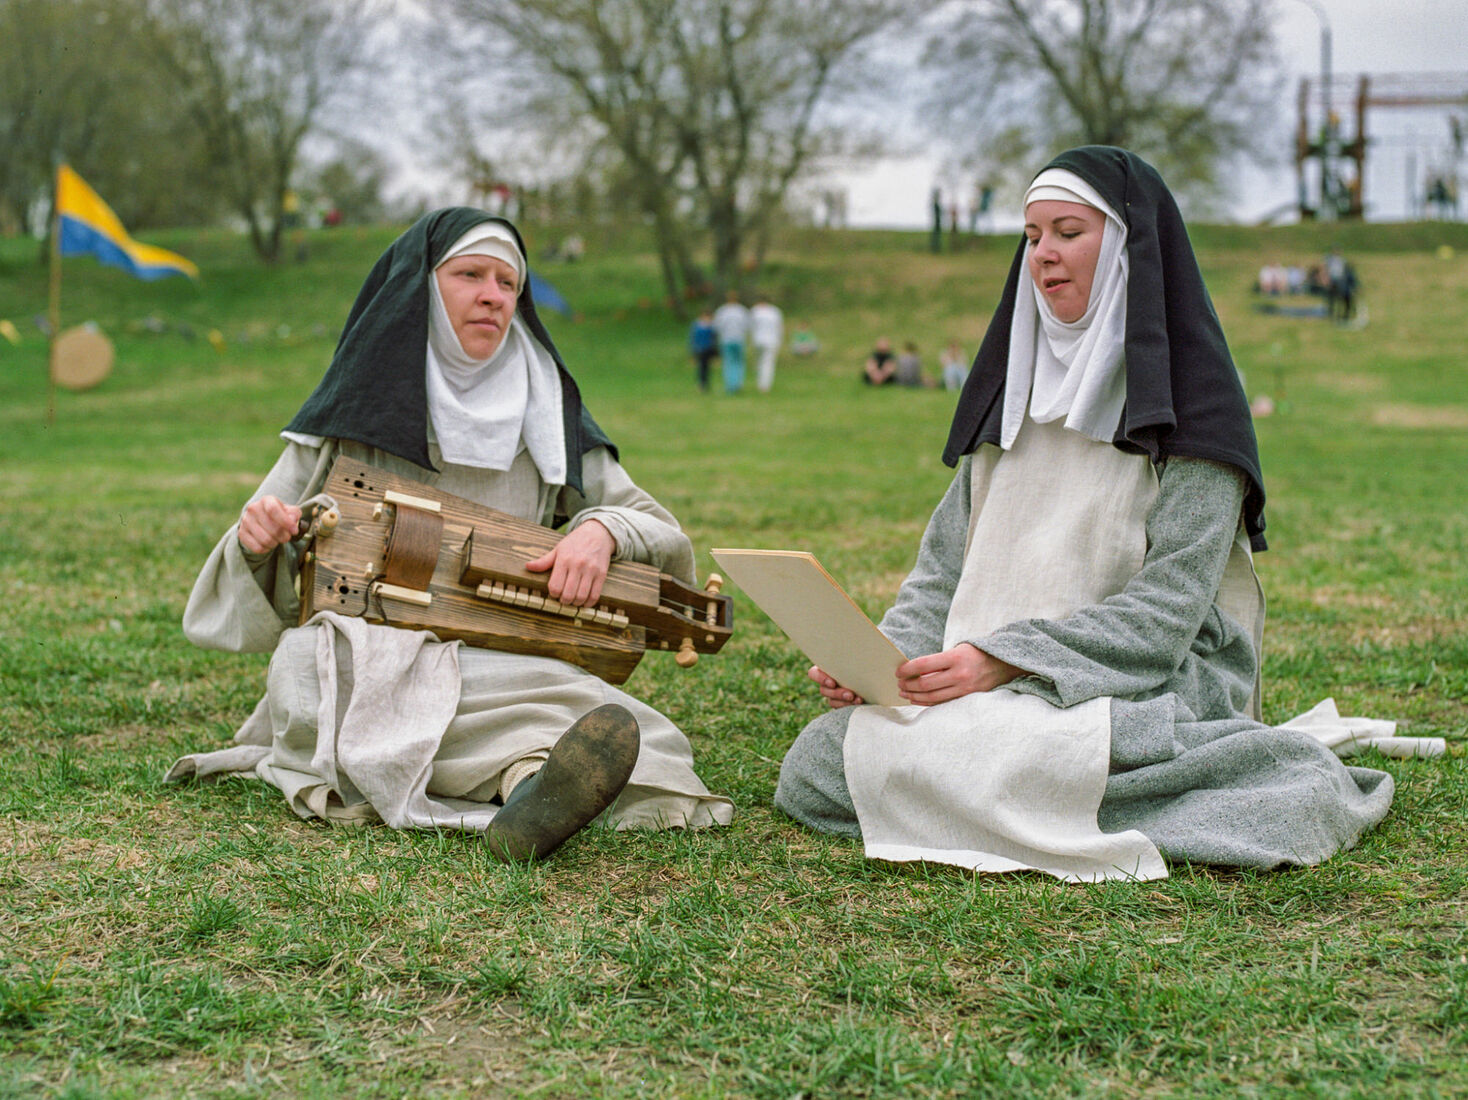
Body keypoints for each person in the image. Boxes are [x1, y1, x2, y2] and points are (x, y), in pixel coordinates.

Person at [775, 147, 1394, 882]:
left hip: (1148, 686)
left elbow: (1165, 618)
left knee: (1267, 793)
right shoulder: (1010, 398)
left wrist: (1003, 661)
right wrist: (885, 663)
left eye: (1069, 231)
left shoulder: (1195, 408)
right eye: (1032, 237)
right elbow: (942, 576)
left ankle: (1011, 781)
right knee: (816, 762)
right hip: (994, 686)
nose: (1044, 255)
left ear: (1130, 244)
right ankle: (1036, 790)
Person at [167, 208, 733, 861]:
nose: (493, 294)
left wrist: (602, 529)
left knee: (631, 730)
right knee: (306, 672)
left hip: (503, 664)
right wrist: (258, 538)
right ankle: (525, 777)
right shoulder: (359, 402)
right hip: (369, 655)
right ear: (422, 290)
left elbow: (654, 523)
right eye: (470, 274)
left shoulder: (547, 410)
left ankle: (535, 788)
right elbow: (260, 543)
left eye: (508, 283)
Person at [712, 291, 750, 394]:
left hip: (726, 339)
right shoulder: (742, 310)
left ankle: (730, 385)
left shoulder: (722, 311)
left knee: (729, 362)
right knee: (739, 362)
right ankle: (738, 384)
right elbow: (747, 326)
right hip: (739, 339)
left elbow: (716, 326)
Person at [749, 293, 784, 393]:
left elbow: (751, 327)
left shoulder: (755, 311)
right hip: (772, 340)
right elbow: (779, 327)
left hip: (758, 340)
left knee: (759, 362)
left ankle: (760, 382)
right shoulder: (775, 311)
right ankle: (764, 385)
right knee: (768, 363)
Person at [688, 309, 718, 392]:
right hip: (700, 349)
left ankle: (705, 384)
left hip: (709, 349)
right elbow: (693, 339)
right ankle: (701, 384)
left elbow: (714, 340)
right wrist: (693, 351)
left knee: (707, 368)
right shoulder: (697, 326)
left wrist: (715, 353)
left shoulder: (711, 326)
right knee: (702, 367)